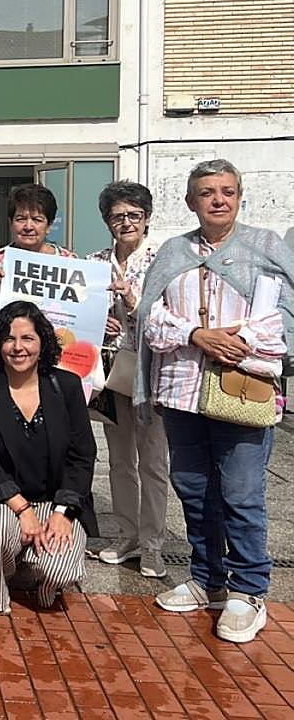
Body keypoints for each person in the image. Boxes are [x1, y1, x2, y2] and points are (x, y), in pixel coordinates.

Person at [138, 160, 293, 644]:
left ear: (240, 196)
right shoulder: (171, 250)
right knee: (194, 491)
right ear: (190, 201)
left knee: (242, 495)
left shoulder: (267, 246)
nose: (218, 199)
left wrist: (240, 338)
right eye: (207, 192)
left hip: (242, 389)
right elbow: (151, 316)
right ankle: (208, 580)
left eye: (227, 191)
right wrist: (196, 333)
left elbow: (284, 316)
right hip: (182, 389)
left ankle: (249, 590)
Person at [0, 301, 97, 615]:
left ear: (42, 342)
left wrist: (63, 512)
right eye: (9, 339)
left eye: (27, 339)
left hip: (54, 498)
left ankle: (42, 575)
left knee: (62, 569)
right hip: (0, 499)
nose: (18, 347)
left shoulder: (67, 386)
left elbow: (83, 455)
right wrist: (21, 508)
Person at [88, 180, 168, 578]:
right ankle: (127, 535)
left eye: (134, 215)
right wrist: (97, 323)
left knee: (153, 462)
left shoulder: (163, 261)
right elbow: (81, 319)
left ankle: (154, 545)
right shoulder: (95, 262)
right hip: (109, 374)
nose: (126, 223)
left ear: (147, 218)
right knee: (119, 461)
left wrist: (133, 304)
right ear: (106, 221)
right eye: (117, 216)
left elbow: (172, 320)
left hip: (151, 372)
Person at [0, 183, 76, 371]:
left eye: (37, 219)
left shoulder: (70, 265)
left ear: (49, 225)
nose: (28, 226)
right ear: (10, 222)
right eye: (20, 219)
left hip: (52, 373)